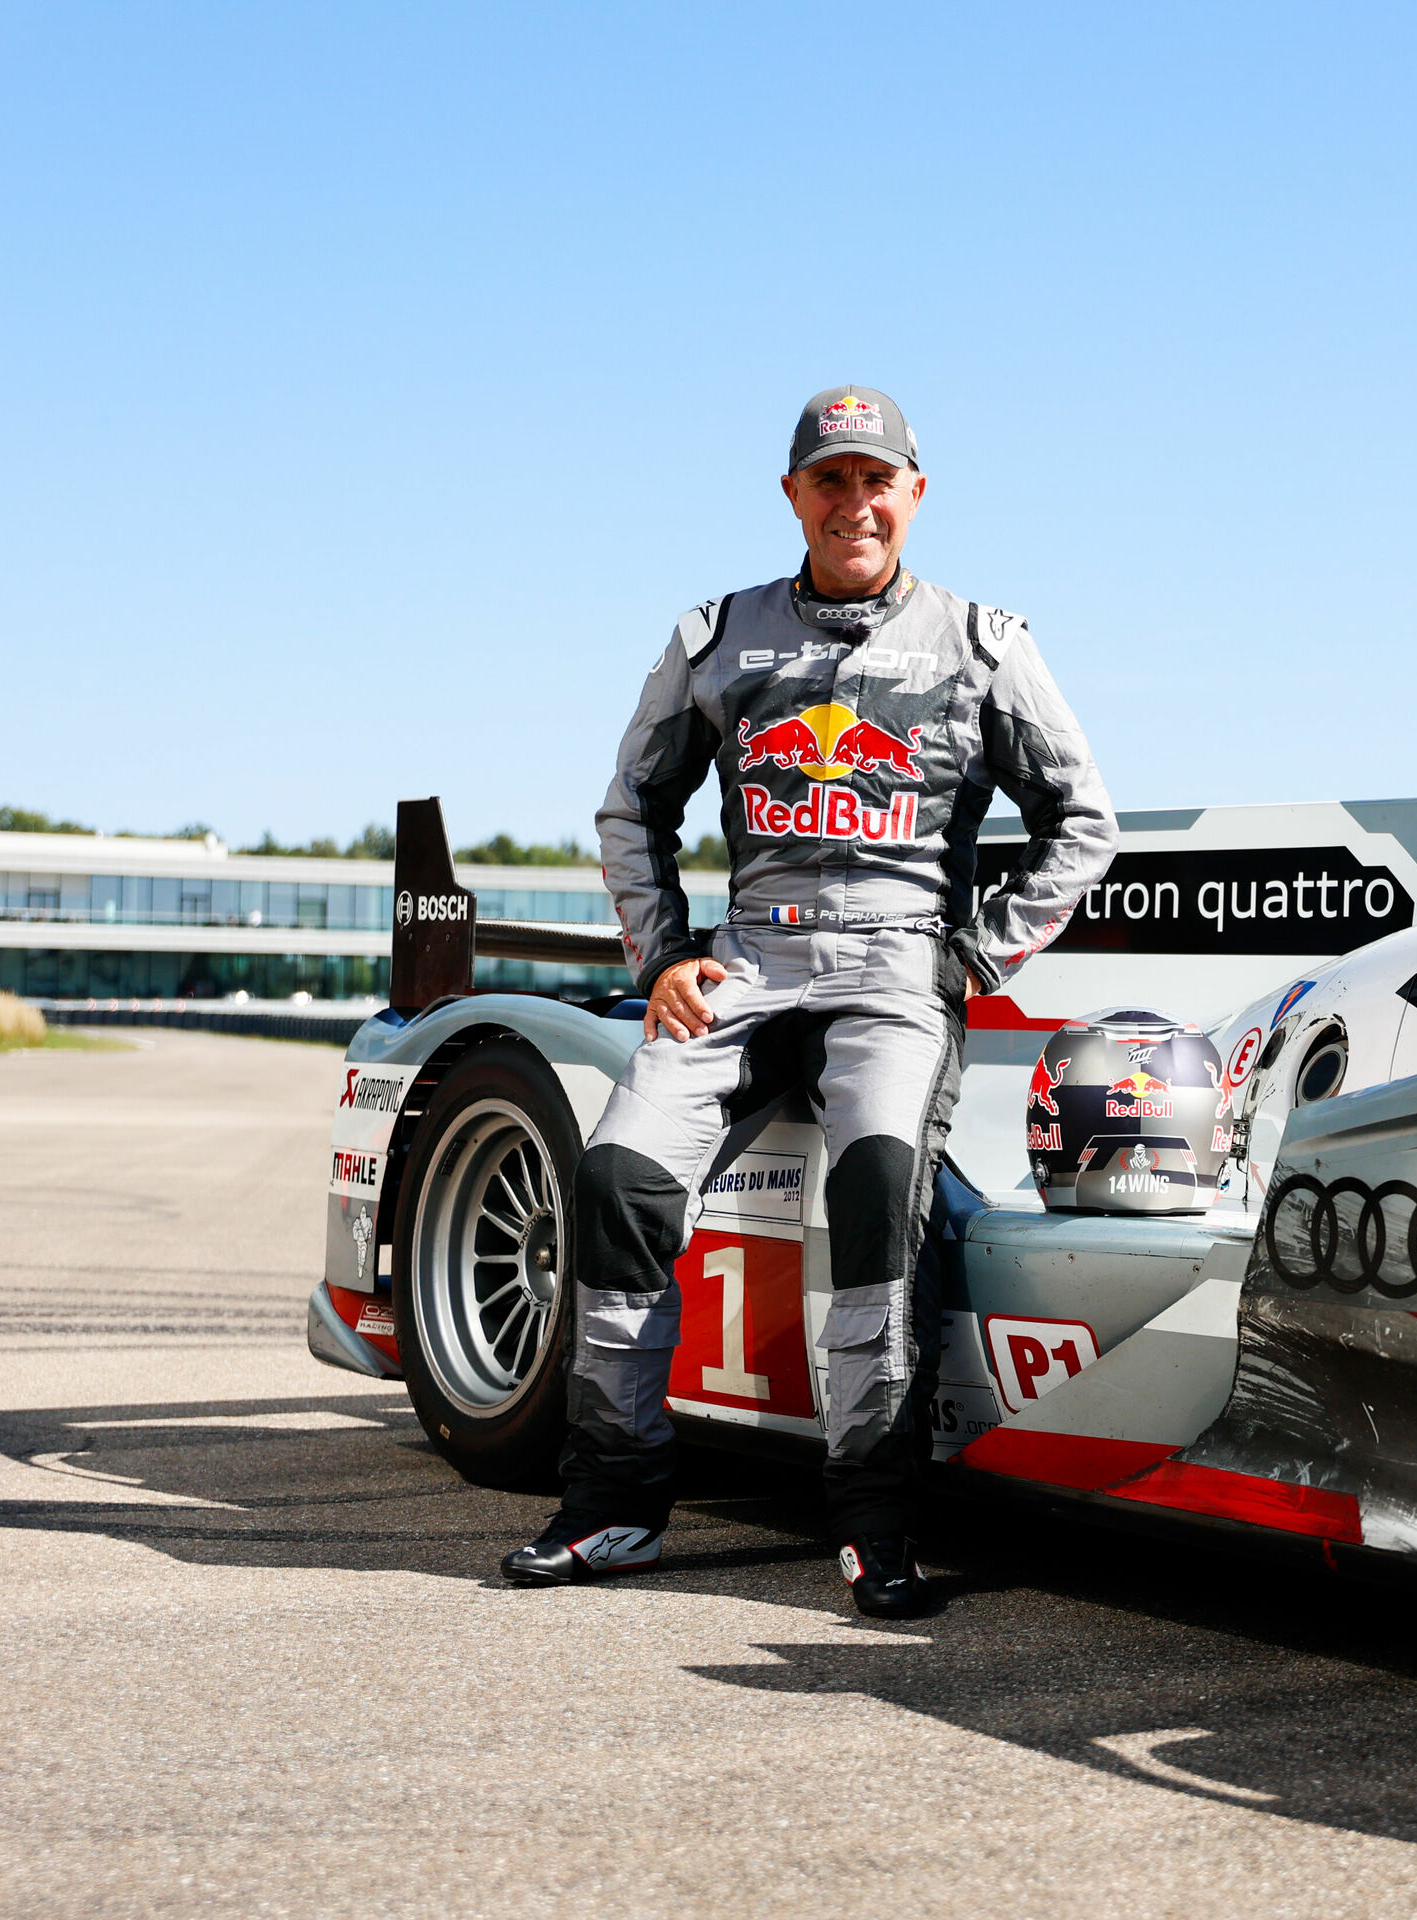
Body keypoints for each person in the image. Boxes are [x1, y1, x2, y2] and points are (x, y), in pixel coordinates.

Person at [502, 385, 1116, 1616]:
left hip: (896, 976)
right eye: (829, 480)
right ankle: (614, 1507)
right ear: (793, 495)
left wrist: (977, 956)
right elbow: (633, 806)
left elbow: (1081, 823)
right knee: (618, 1181)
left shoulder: (982, 642)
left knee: (879, 1197)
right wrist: (662, 953)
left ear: (915, 494)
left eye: (876, 479)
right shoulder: (717, 636)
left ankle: (874, 1527)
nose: (855, 503)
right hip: (746, 967)